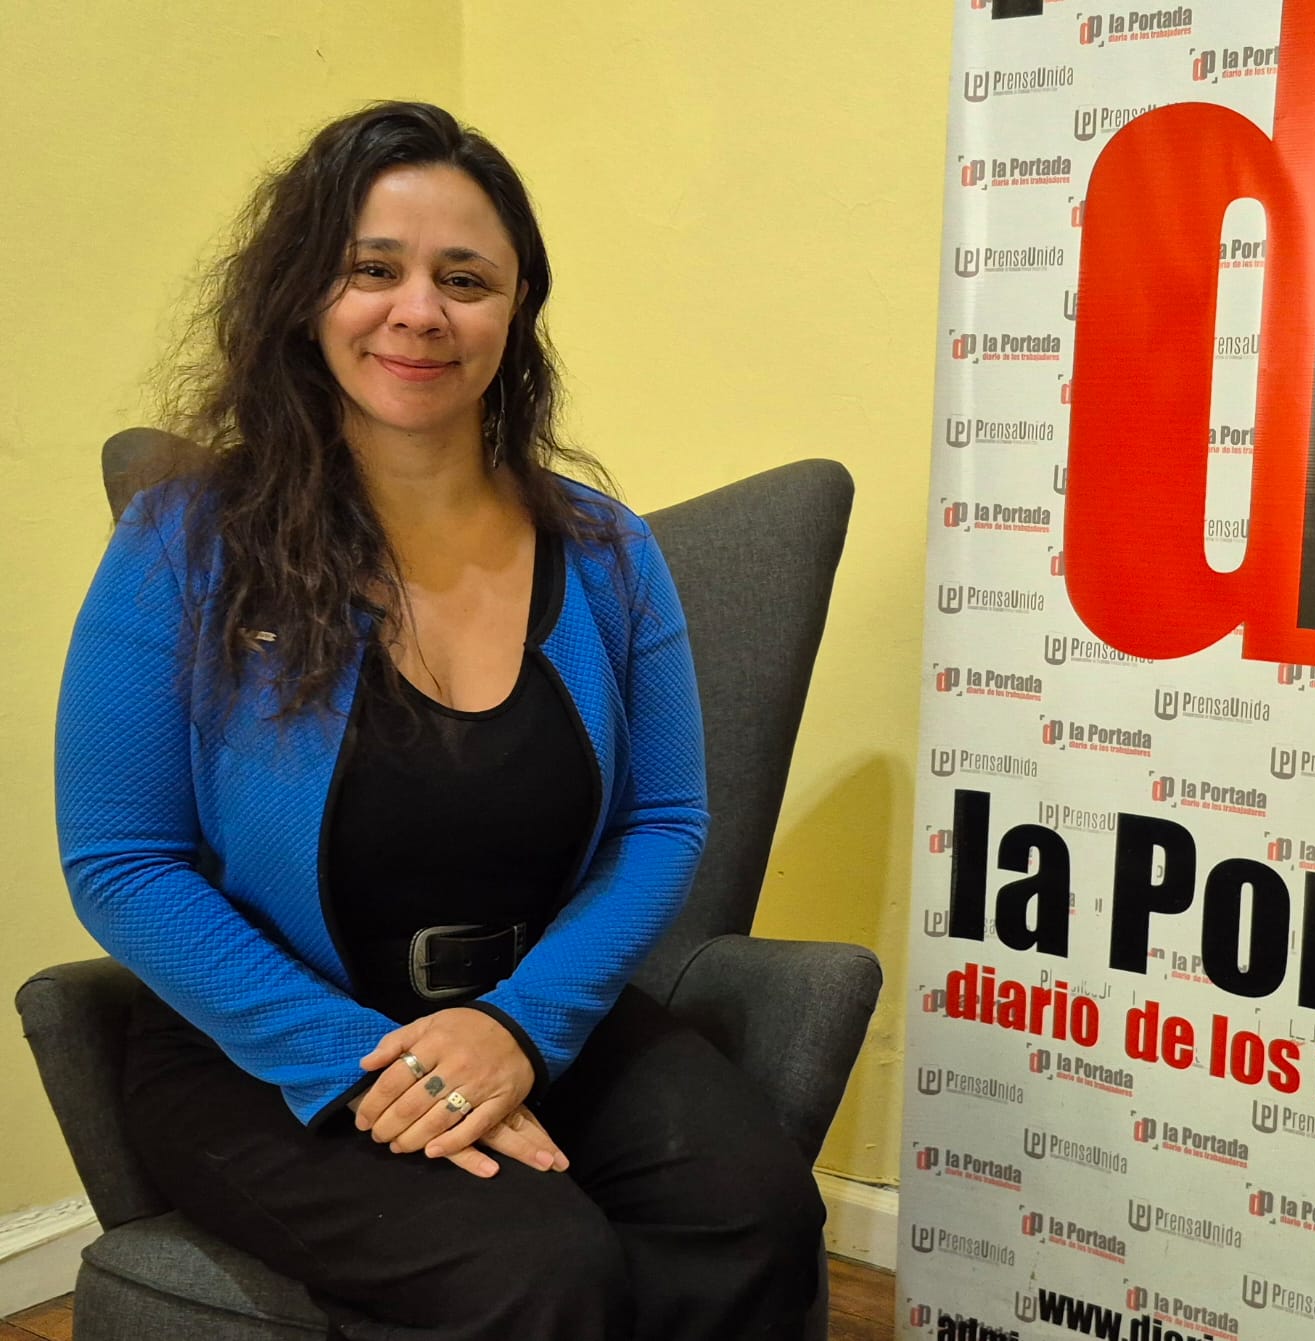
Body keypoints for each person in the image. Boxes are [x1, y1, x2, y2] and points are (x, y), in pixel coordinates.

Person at [56, 100, 823, 1340]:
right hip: (267, 1042)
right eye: (373, 269)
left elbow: (666, 822)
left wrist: (519, 1025)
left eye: (464, 279)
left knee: (752, 1209)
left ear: (514, 312)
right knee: (534, 1268)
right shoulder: (182, 541)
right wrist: (367, 1061)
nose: (419, 310)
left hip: (536, 1006)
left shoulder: (607, 551)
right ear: (305, 295)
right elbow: (121, 862)